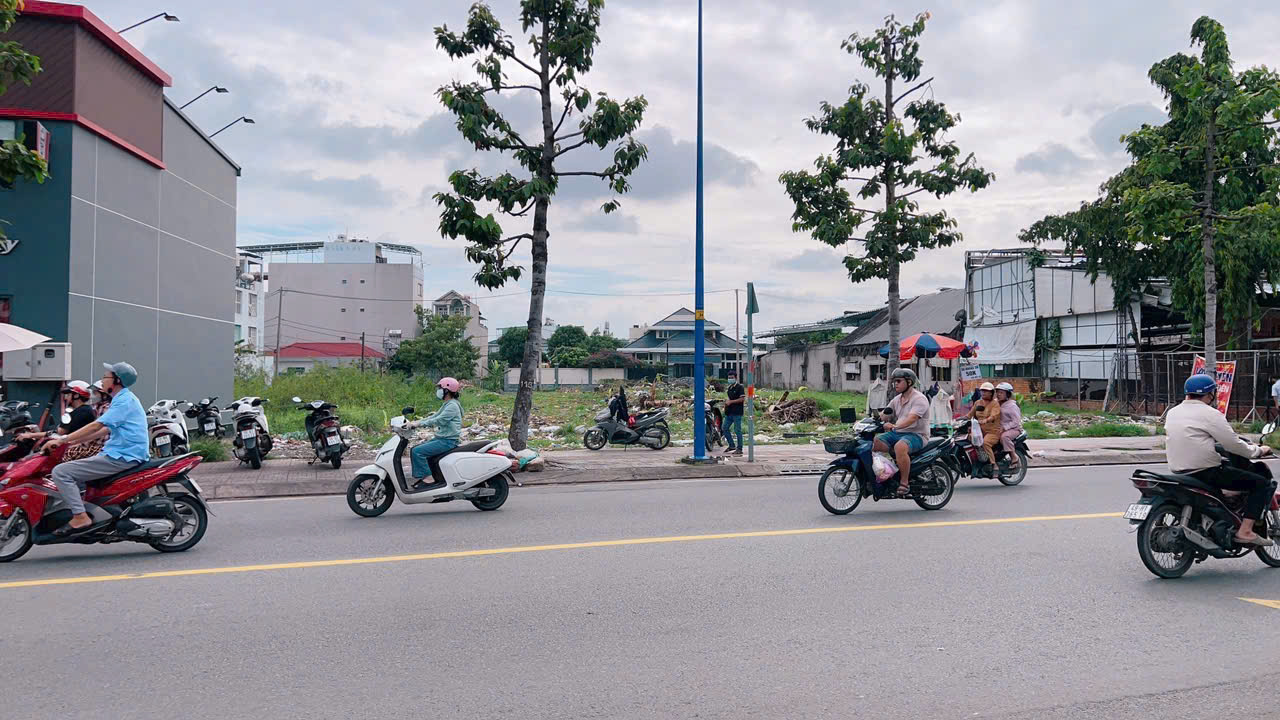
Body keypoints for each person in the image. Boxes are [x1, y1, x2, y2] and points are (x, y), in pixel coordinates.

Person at [1165, 374, 1274, 547]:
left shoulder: (1173, 412)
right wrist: (1258, 450)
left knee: (1229, 473)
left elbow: (1192, 436)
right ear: (1210, 394)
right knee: (1261, 484)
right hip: (1206, 471)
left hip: (1179, 469)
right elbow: (1232, 444)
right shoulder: (1210, 414)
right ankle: (1245, 531)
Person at [42, 362, 149, 537]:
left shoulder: (124, 401)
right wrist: (70, 442)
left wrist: (62, 440)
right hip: (121, 452)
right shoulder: (122, 399)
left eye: (105, 377)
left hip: (123, 456)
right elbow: (103, 430)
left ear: (117, 381)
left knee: (61, 472)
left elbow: (96, 426)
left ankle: (80, 516)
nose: (102, 380)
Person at [873, 368, 931, 496]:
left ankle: (904, 482)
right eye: (894, 381)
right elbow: (885, 414)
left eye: (899, 381)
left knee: (900, 447)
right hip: (898, 432)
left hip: (917, 435)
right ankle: (884, 472)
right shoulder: (897, 399)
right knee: (874, 442)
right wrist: (873, 420)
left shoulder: (919, 399)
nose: (895, 384)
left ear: (909, 382)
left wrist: (894, 426)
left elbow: (912, 419)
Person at [409, 377, 464, 490]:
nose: (438, 391)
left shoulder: (452, 406)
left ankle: (428, 479)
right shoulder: (448, 404)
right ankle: (429, 476)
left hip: (447, 441)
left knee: (417, 452)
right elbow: (434, 416)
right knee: (416, 449)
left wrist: (419, 424)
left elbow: (439, 420)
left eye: (440, 388)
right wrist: (417, 422)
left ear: (447, 390)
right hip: (442, 439)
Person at [16, 380, 95, 443]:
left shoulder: (82, 411)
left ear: (76, 395)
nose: (66, 398)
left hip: (76, 447)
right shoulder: (83, 410)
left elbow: (60, 432)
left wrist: (31, 435)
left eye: (68, 394)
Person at [968, 382, 1001, 474]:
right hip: (979, 430)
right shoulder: (978, 403)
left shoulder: (995, 404)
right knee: (969, 438)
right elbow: (969, 415)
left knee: (985, 443)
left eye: (986, 391)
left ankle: (994, 464)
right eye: (982, 391)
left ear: (991, 393)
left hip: (993, 431)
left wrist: (986, 420)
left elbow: (994, 415)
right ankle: (977, 459)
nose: (983, 393)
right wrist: (957, 420)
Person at [995, 382, 1024, 469]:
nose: (999, 394)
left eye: (1001, 393)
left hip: (1014, 429)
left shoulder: (1012, 405)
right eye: (998, 392)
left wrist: (1005, 428)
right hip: (999, 427)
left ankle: (1013, 456)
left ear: (1007, 394)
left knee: (1004, 437)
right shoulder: (996, 402)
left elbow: (1016, 421)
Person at [723, 371, 746, 455]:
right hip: (729, 412)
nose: (730, 379)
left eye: (732, 378)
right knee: (724, 428)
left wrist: (731, 402)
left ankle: (739, 448)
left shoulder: (740, 387)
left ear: (735, 378)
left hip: (737, 412)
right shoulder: (729, 388)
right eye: (729, 378)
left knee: (737, 430)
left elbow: (742, 399)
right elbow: (729, 399)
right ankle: (731, 445)